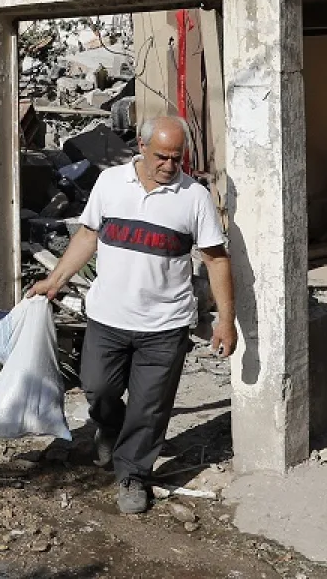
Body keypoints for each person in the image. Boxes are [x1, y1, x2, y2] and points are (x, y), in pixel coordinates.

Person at [29, 115, 236, 515]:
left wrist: (225, 320)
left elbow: (215, 258)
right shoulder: (110, 183)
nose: (170, 165)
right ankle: (110, 429)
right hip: (108, 318)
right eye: (162, 156)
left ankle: (133, 475)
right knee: (97, 389)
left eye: (177, 157)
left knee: (149, 408)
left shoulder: (194, 197)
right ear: (141, 147)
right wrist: (55, 280)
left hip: (165, 326)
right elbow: (88, 235)